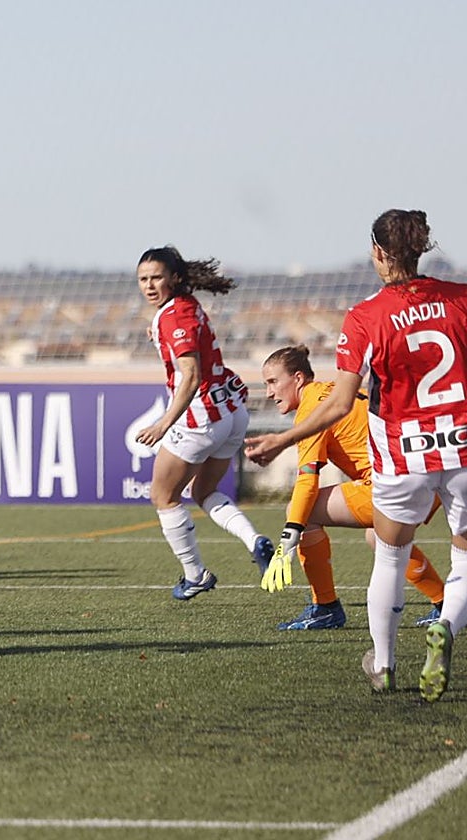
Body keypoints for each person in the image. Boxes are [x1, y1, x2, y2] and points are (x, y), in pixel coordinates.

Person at [246, 209, 467, 702]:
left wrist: (280, 440)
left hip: (402, 456)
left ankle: (384, 664)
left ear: (378, 254)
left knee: (387, 555)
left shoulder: (366, 315)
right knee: (466, 559)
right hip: (462, 447)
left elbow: (341, 403)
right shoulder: (461, 300)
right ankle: (446, 626)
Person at [258, 344, 444, 630]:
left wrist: (289, 534)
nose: (269, 393)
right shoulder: (333, 390)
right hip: (423, 476)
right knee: (378, 536)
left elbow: (308, 479)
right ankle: (444, 603)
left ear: (297, 378)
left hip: (390, 484)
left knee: (302, 513)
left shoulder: (312, 406)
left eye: (273, 382)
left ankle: (325, 607)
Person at [135, 246, 274, 600]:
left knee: (163, 496)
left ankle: (195, 575)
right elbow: (185, 336)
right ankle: (255, 540)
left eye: (156, 278)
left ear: (174, 278)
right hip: (232, 411)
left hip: (200, 417)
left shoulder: (173, 317)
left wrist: (165, 422)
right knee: (203, 492)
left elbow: (191, 375)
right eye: (143, 279)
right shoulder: (185, 305)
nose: (150, 286)